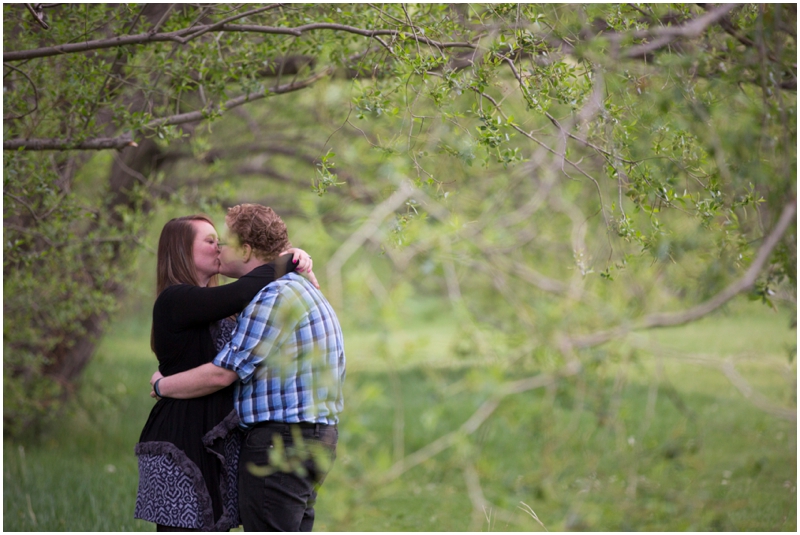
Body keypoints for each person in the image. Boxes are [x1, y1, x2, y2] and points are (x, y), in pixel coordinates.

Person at [151, 204, 345, 532]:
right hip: (189, 439)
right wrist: (286, 261)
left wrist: (160, 385)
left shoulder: (268, 296)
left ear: (245, 249)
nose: (218, 248)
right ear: (183, 251)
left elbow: (222, 372)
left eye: (221, 240)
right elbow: (240, 294)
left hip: (270, 439)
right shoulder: (180, 299)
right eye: (210, 241)